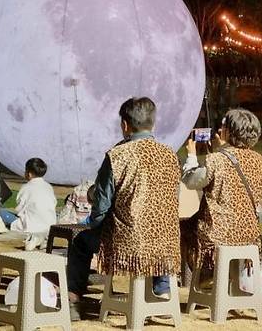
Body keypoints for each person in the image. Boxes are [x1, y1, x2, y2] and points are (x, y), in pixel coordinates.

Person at [66, 97, 181, 321]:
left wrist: (94, 225)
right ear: (153, 124)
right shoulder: (170, 155)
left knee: (80, 242)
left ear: (125, 125)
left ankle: (73, 300)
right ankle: (163, 289)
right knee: (155, 238)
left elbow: (102, 204)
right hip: (166, 242)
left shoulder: (117, 155)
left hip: (127, 242)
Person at [182, 108, 262, 275]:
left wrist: (191, 155)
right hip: (248, 234)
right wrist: (221, 151)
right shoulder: (258, 160)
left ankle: (205, 278)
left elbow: (191, 181)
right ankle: (228, 279)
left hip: (217, 235)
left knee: (181, 228)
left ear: (231, 132)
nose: (220, 130)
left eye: (224, 126)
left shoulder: (217, 159)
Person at [8, 158, 58, 250]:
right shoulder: (48, 187)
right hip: (49, 225)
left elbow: (19, 208)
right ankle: (43, 239)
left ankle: (34, 238)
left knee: (3, 213)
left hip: (31, 224)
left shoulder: (26, 187)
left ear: (29, 174)